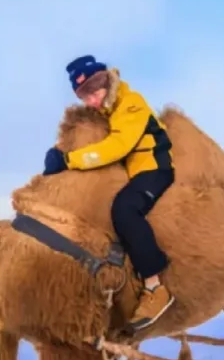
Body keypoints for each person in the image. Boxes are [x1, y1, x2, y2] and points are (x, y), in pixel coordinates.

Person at [43, 55, 175, 330]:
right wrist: (58, 151)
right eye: (84, 96)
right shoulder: (105, 110)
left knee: (124, 210)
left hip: (153, 170)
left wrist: (69, 161)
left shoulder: (131, 103)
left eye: (93, 92)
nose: (90, 101)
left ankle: (155, 287)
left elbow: (118, 146)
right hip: (130, 174)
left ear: (105, 82)